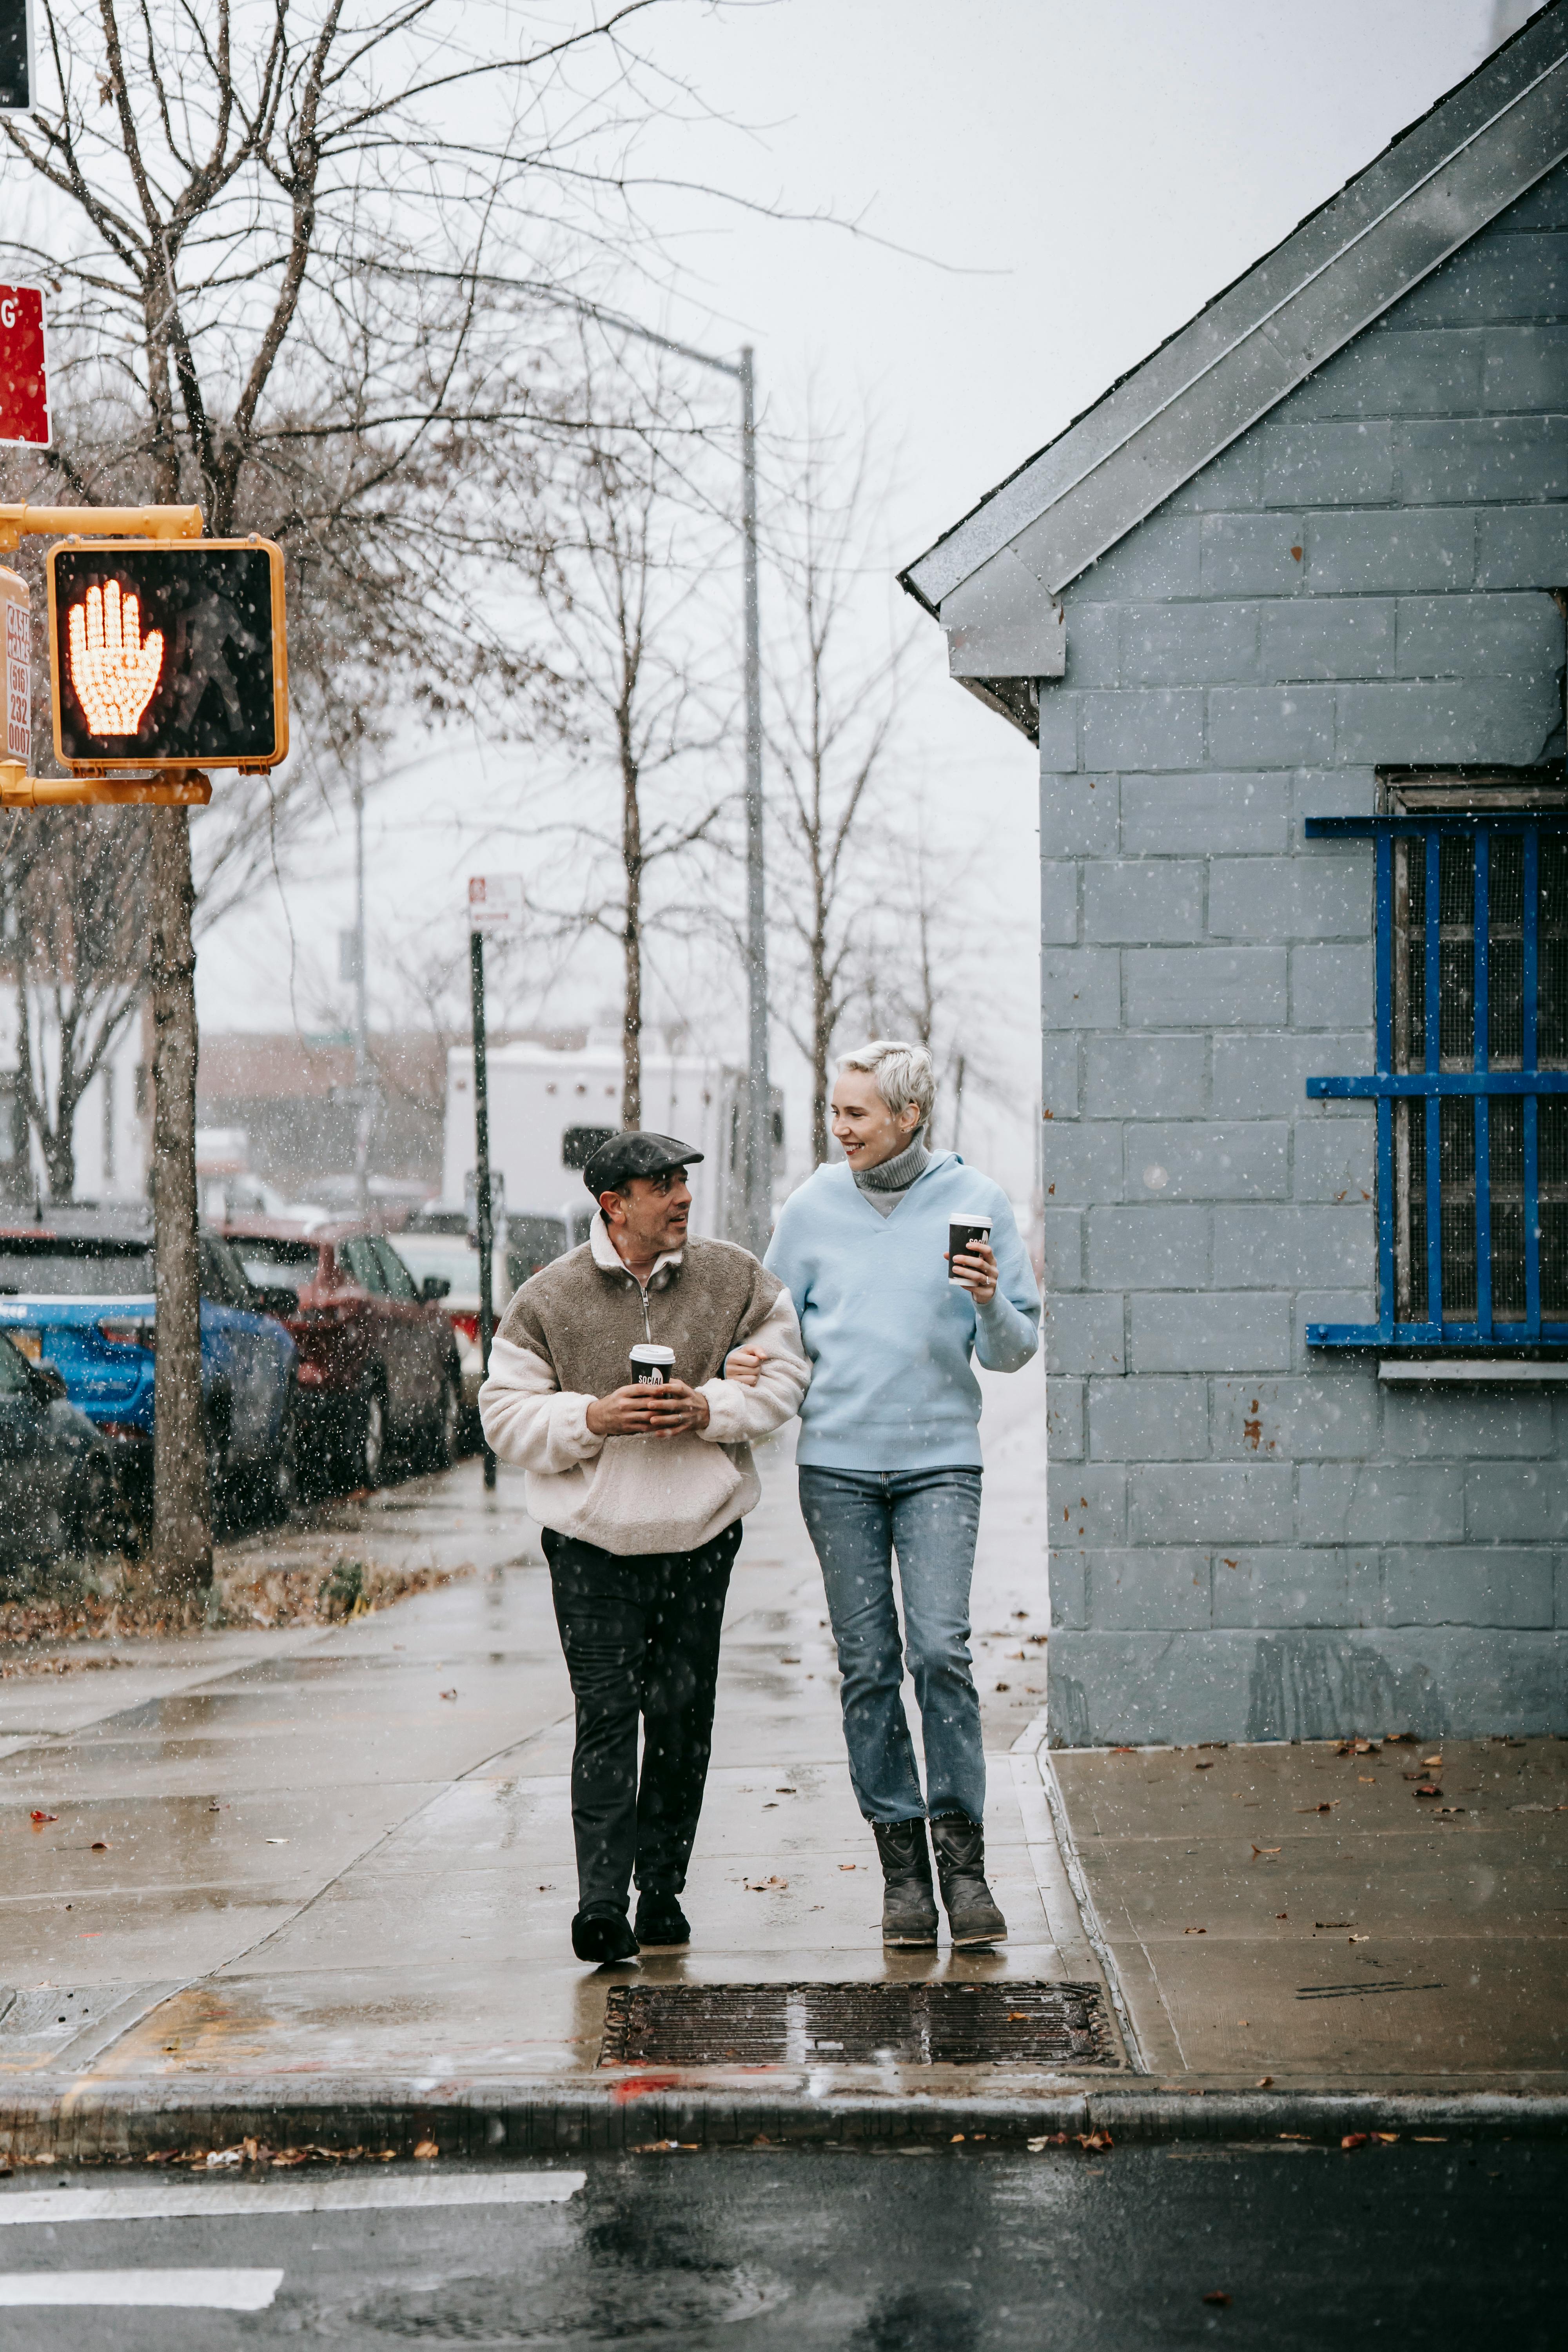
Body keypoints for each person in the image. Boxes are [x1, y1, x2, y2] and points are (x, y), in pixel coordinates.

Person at [478, 1132, 808, 1965]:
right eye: (662, 1186)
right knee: (605, 1718)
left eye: (683, 1182)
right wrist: (589, 1418)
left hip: (699, 1537)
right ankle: (599, 1906)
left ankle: (660, 1891)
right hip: (590, 1543)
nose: (683, 1198)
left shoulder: (734, 1279)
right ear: (612, 1204)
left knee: (680, 1717)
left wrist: (712, 1410)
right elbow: (501, 1416)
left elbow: (786, 1376)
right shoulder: (546, 1299)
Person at [758, 1041, 1039, 1950]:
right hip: (835, 1469)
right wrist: (749, 1363)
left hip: (937, 1465)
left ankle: (964, 1868)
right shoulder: (810, 1209)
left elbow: (1011, 1352)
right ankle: (903, 1877)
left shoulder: (976, 1204)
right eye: (836, 1112)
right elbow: (769, 1327)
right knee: (868, 1668)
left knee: (940, 1652)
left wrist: (991, 1301)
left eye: (855, 1114)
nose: (838, 1129)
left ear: (908, 1116)